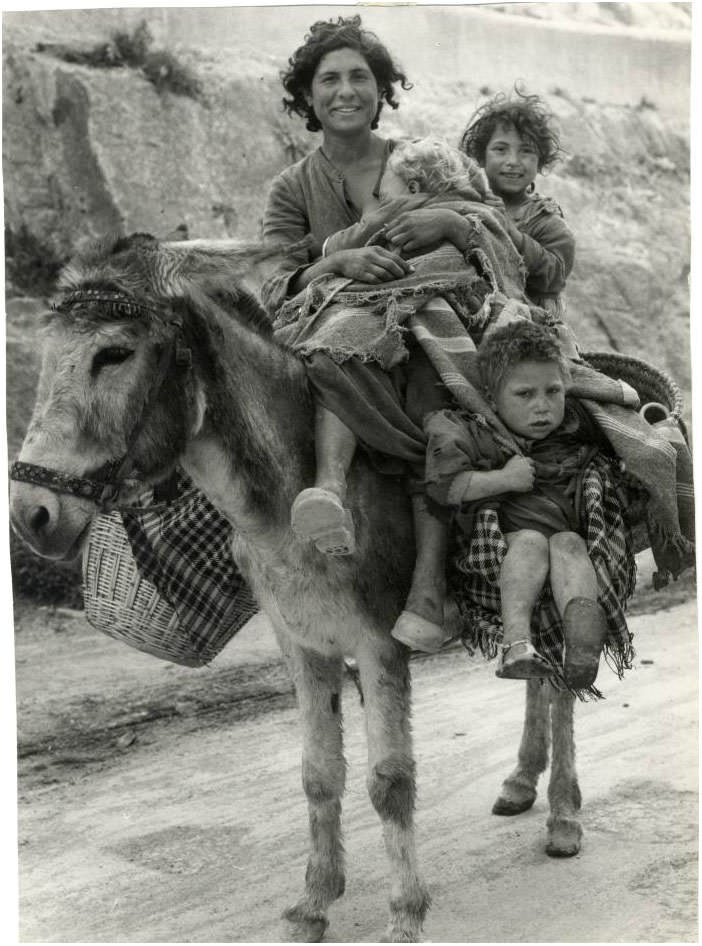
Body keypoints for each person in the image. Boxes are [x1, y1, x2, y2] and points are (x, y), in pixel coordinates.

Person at [261, 17, 506, 653]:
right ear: (307, 97)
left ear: (381, 89)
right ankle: (327, 504)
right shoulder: (291, 189)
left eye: (360, 77)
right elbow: (274, 284)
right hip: (343, 344)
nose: (345, 91)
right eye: (329, 79)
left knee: (439, 413)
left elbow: (489, 222)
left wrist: (449, 222)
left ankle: (432, 588)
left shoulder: (419, 162)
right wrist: (335, 263)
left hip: (429, 330)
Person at [424, 320, 614, 688]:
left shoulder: (575, 427)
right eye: (525, 395)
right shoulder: (472, 430)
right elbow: (443, 488)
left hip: (563, 533)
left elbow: (624, 425)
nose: (542, 407)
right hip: (498, 545)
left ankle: (581, 646)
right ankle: (516, 643)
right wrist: (504, 479)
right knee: (530, 542)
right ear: (492, 398)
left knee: (570, 543)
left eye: (553, 391)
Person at [460, 87, 578, 354]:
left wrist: (510, 232)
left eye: (526, 152)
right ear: (482, 155)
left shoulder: (545, 220)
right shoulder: (466, 202)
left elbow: (555, 275)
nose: (513, 161)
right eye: (501, 149)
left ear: (540, 161)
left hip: (530, 330)